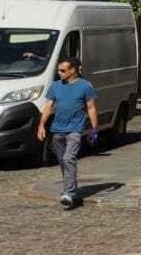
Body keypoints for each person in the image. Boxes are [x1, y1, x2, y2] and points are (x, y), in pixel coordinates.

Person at [37, 58, 98, 209]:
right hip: (57, 130)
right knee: (63, 161)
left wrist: (94, 129)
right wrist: (41, 125)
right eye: (59, 70)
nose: (59, 73)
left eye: (63, 71)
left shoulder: (85, 86)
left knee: (69, 158)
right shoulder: (55, 86)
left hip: (75, 129)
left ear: (73, 70)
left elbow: (91, 108)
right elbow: (48, 107)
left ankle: (69, 193)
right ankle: (71, 187)